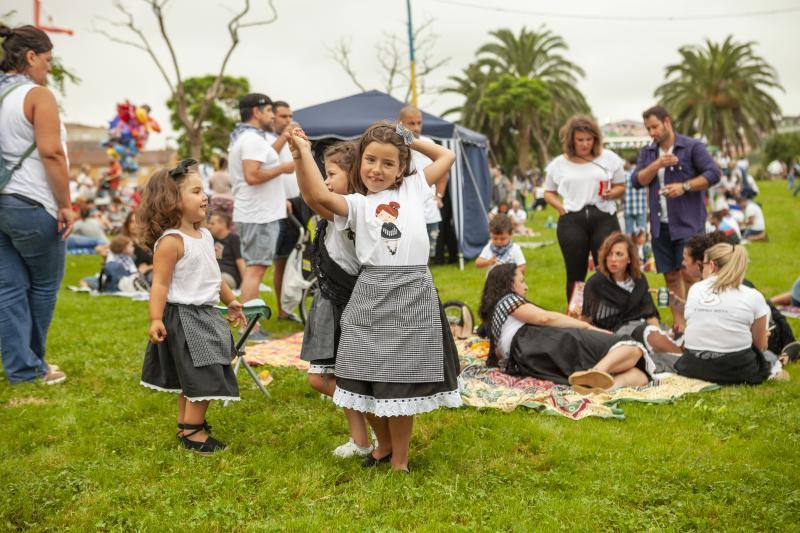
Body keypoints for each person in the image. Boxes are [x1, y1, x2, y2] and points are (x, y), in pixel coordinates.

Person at [291, 121, 461, 473]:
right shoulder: (355, 204)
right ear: (359, 163)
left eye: (388, 163)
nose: (377, 170)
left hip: (413, 291)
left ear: (402, 168)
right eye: (370, 160)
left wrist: (409, 140)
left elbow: (446, 155)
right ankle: (382, 447)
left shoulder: (414, 187)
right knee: (357, 375)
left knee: (401, 384)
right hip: (370, 293)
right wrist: (303, 154)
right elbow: (317, 196)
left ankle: (400, 461)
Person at [138, 159, 246, 455]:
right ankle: (193, 433)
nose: (205, 197)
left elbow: (213, 275)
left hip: (206, 314)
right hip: (184, 316)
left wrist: (231, 300)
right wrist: (155, 318)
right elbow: (159, 284)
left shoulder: (206, 235)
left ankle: (186, 424)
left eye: (204, 191)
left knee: (197, 372)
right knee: (204, 371)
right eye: (196, 191)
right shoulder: (171, 242)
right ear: (173, 201)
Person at [0, 24, 73, 385]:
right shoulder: (38, 95)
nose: (48, 67)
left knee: (9, 289)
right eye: (47, 60)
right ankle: (33, 366)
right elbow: (52, 153)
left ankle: (19, 368)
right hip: (32, 202)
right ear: (30, 57)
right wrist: (66, 204)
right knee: (43, 287)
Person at [296, 141, 373, 459]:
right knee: (330, 376)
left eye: (331, 174)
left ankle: (376, 427)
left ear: (352, 175)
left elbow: (313, 195)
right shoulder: (340, 206)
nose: (326, 181)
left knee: (324, 378)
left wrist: (302, 153)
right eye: (324, 174)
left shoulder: (350, 209)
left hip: (344, 301)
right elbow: (308, 194)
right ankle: (361, 441)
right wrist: (300, 157)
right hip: (331, 299)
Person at [479, 263, 651, 393]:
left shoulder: (497, 319)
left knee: (641, 375)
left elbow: (500, 355)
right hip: (540, 342)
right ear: (507, 285)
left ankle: (600, 388)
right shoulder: (507, 299)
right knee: (632, 347)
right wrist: (586, 327)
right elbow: (544, 318)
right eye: (521, 281)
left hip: (531, 359)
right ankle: (597, 372)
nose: (526, 287)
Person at [631, 106, 720, 334]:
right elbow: (637, 180)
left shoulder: (692, 147)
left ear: (667, 122)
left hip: (689, 222)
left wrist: (685, 186)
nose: (652, 132)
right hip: (660, 226)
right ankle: (680, 326)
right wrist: (657, 165)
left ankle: (699, 324)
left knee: (692, 274)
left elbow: (713, 173)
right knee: (670, 276)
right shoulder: (649, 153)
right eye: (648, 128)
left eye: (655, 127)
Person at [227, 93, 294, 341]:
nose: (273, 116)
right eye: (269, 112)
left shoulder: (249, 138)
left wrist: (284, 139)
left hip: (256, 213)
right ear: (256, 111)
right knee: (256, 270)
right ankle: (249, 329)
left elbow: (267, 158)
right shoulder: (252, 140)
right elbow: (253, 175)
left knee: (255, 269)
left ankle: (249, 326)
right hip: (259, 215)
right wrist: (285, 169)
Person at [544, 114, 626, 303]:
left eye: (589, 139)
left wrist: (611, 193)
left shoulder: (609, 158)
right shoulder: (559, 163)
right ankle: (576, 316)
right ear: (571, 139)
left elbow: (621, 186)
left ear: (595, 139)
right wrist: (560, 207)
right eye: (580, 139)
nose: (585, 144)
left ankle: (609, 313)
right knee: (575, 273)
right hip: (572, 219)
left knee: (608, 268)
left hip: (604, 216)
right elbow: (548, 192)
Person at [675, 243, 774, 385]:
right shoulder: (752, 295)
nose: (702, 270)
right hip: (736, 371)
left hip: (692, 367)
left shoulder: (695, 289)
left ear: (712, 265)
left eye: (702, 265)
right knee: (770, 358)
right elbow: (760, 346)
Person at [581, 232, 681, 354]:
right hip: (619, 334)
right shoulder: (596, 283)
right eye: (609, 254)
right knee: (654, 337)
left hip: (646, 327)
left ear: (629, 258)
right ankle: (684, 364)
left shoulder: (639, 279)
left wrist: (660, 332)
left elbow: (649, 313)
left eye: (619, 254)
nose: (613, 259)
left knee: (678, 337)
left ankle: (683, 357)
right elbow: (586, 318)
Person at [268, 100, 304, 321]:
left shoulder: (291, 136)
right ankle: (282, 310)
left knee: (298, 256)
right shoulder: (267, 140)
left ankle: (292, 305)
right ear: (273, 117)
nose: (288, 121)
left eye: (290, 116)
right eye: (283, 117)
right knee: (281, 259)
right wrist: (284, 136)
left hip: (299, 201)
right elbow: (269, 157)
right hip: (279, 204)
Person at [397, 105, 448, 260]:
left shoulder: (429, 142)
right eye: (411, 123)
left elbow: (443, 171)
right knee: (405, 255)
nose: (417, 127)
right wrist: (401, 135)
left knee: (426, 258)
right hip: (405, 210)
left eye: (419, 123)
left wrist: (439, 196)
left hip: (429, 211)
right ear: (401, 124)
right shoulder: (394, 144)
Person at [208, 213, 245, 291]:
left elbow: (240, 262)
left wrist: (244, 285)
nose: (209, 226)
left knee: (215, 280)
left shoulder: (234, 239)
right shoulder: (211, 240)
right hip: (213, 274)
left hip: (228, 276)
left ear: (223, 224)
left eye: (212, 224)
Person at [622, 157, 648, 235]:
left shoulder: (625, 175)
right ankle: (640, 247)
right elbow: (647, 191)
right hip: (641, 207)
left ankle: (630, 247)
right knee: (641, 233)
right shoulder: (642, 175)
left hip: (628, 207)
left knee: (628, 233)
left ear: (629, 163)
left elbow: (622, 191)